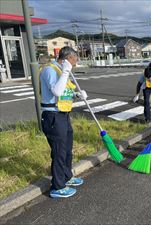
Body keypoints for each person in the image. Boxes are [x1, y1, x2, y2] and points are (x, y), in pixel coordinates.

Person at [40, 46, 87, 198]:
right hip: (53, 116)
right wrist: (66, 70)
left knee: (67, 150)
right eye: (73, 62)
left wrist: (76, 94)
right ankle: (57, 187)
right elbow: (57, 91)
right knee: (59, 152)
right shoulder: (50, 70)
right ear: (67, 59)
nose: (74, 66)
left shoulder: (63, 71)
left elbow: (65, 91)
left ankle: (67, 176)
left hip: (64, 115)